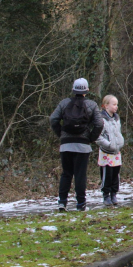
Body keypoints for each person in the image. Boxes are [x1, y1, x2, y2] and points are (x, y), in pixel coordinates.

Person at [50, 78, 104, 211]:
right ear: (87, 90)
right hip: (83, 145)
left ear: (73, 89)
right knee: (80, 174)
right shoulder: (91, 105)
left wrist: (61, 134)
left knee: (66, 173)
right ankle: (81, 203)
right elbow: (99, 124)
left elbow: (53, 119)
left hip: (66, 145)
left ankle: (62, 202)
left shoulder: (64, 103)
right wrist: (90, 138)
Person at [97, 94, 124, 206]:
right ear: (106, 106)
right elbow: (98, 136)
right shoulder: (101, 120)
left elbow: (118, 133)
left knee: (115, 174)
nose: (116, 107)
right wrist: (108, 145)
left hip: (116, 152)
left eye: (117, 104)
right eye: (113, 104)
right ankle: (106, 195)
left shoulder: (116, 119)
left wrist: (120, 142)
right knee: (107, 174)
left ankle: (114, 194)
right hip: (106, 152)